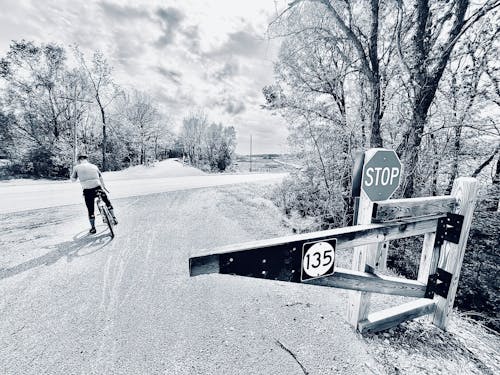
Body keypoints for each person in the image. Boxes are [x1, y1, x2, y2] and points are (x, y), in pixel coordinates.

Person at [71, 154, 118, 234]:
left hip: (88, 191)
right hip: (98, 188)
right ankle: (114, 218)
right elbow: (100, 177)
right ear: (87, 159)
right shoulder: (94, 166)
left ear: (79, 160)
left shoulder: (77, 168)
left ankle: (93, 228)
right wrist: (104, 187)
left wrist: (74, 175)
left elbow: (73, 180)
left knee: (90, 209)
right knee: (107, 202)